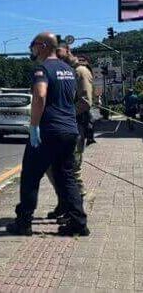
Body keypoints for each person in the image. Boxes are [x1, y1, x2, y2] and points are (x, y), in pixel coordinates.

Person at [7, 32, 89, 237]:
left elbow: (40, 96)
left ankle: (24, 222)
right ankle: (78, 223)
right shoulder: (69, 70)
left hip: (47, 132)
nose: (32, 49)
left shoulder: (42, 69)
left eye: (33, 45)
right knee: (66, 177)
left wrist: (34, 126)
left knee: (30, 177)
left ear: (43, 46)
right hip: (69, 131)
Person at [46, 46, 94, 220]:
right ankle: (64, 202)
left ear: (67, 50)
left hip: (74, 127)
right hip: (59, 128)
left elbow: (85, 101)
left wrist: (63, 115)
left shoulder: (80, 71)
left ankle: (76, 210)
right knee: (52, 168)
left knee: (71, 169)